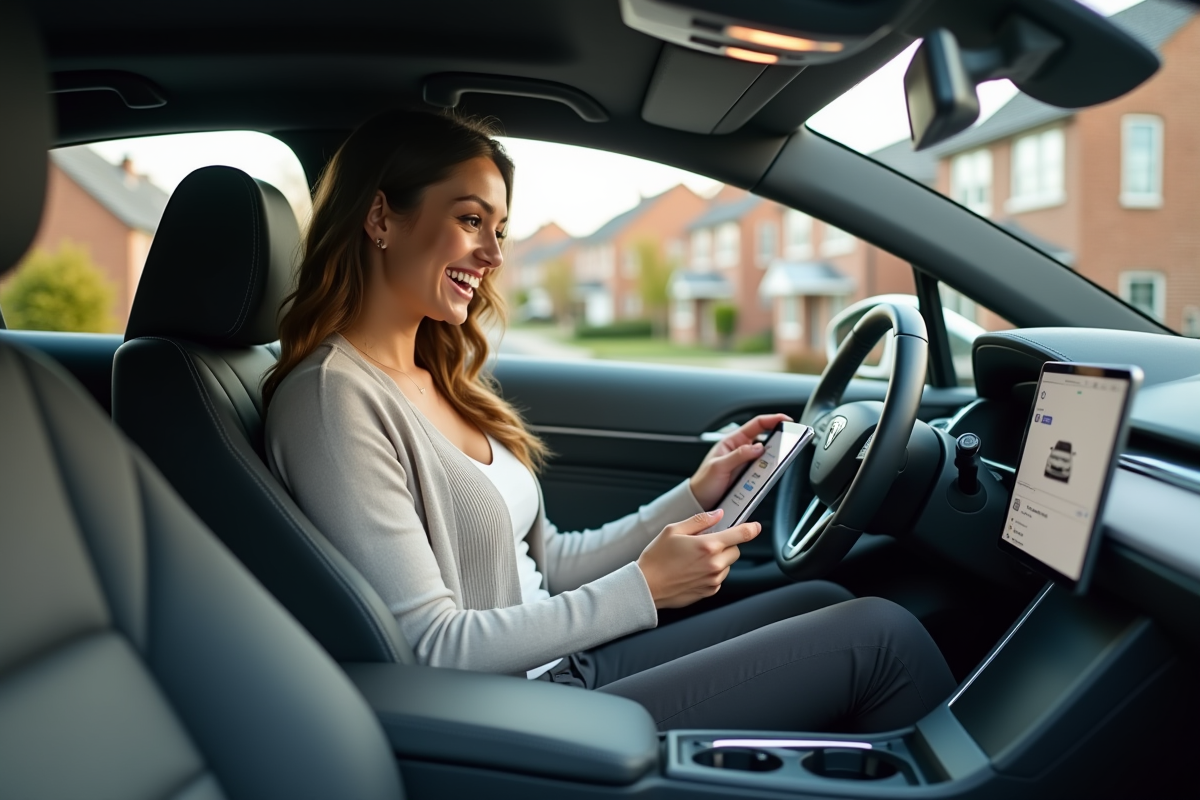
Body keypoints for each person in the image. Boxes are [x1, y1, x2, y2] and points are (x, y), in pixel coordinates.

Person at [264, 109, 955, 732]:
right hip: (517, 711)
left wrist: (695, 495)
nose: (495, 255)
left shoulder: (439, 376)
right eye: (471, 220)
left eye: (500, 230)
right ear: (381, 218)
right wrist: (644, 589)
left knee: (823, 599)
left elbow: (550, 565)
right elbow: (430, 646)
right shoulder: (333, 399)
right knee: (879, 638)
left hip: (562, 667)